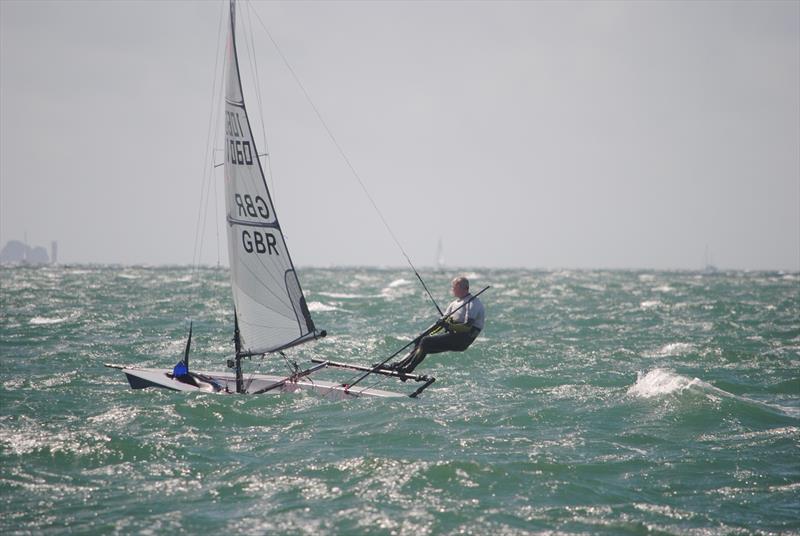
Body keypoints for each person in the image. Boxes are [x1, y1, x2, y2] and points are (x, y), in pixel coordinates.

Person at [391, 276, 485, 374]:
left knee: (425, 341)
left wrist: (449, 326)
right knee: (421, 340)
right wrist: (427, 332)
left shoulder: (473, 303)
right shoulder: (454, 304)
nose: (452, 289)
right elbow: (441, 324)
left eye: (453, 287)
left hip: (463, 340)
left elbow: (467, 327)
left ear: (461, 287)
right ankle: (399, 365)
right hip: (452, 336)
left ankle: (408, 369)